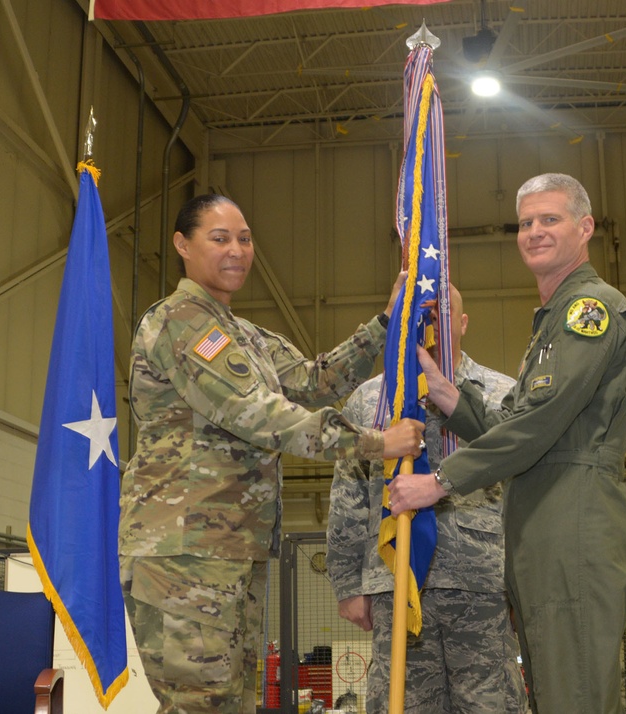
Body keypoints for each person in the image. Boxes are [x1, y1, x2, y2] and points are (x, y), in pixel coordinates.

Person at [119, 193, 424, 714]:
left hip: (233, 549)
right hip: (186, 551)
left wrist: (384, 321)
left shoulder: (243, 335)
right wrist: (374, 444)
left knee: (234, 703)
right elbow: (257, 413)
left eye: (244, 238)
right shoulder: (180, 321)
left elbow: (316, 380)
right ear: (182, 245)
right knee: (201, 705)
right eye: (219, 238)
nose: (236, 250)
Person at [388, 173, 626, 714]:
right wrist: (447, 394)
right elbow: (520, 419)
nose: (534, 231)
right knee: (557, 693)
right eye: (525, 222)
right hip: (544, 523)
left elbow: (540, 424)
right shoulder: (552, 320)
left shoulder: (588, 312)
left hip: (572, 521)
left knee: (573, 695)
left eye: (549, 219)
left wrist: (439, 483)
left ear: (585, 227)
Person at [326, 284, 528, 714]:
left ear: (464, 323)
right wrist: (347, 584)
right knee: (402, 704)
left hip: (482, 583)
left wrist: (523, 582)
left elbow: (524, 493)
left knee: (491, 705)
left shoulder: (500, 393)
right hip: (396, 583)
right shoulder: (371, 399)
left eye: (441, 313)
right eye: (421, 313)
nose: (430, 324)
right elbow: (350, 493)